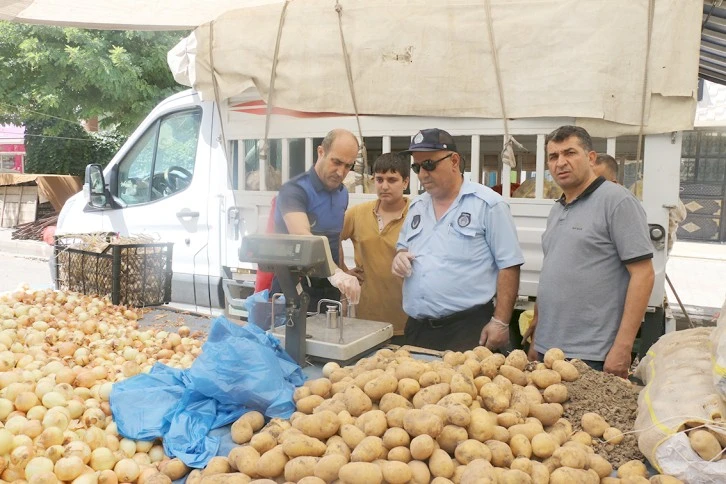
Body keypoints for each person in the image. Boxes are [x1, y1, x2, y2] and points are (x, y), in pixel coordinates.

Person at [528, 125, 655, 378]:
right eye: (553, 156)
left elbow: (644, 275)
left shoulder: (617, 201)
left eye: (570, 153)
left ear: (591, 158)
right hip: (548, 349)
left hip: (593, 355)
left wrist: (623, 347)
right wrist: (537, 335)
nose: (560, 163)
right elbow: (552, 271)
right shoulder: (558, 208)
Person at [391, 128, 525, 352]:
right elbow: (403, 248)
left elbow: (509, 265)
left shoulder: (488, 204)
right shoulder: (416, 206)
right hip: (418, 328)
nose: (422, 174)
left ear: (454, 161)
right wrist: (399, 259)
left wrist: (500, 322)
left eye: (429, 165)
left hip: (467, 330)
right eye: (417, 167)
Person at [272, 129, 361, 309]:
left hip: (329, 290)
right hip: (295, 288)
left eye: (348, 166)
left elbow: (336, 239)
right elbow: (302, 236)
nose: (341, 172)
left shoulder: (342, 193)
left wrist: (343, 274)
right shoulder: (294, 191)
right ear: (321, 152)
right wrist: (336, 273)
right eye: (336, 162)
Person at [340, 153, 410, 341]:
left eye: (392, 180)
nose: (384, 186)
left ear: (405, 182)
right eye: (379, 179)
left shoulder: (418, 213)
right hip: (366, 319)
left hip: (408, 319)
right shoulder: (358, 213)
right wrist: (343, 271)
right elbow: (331, 240)